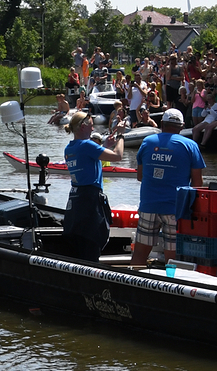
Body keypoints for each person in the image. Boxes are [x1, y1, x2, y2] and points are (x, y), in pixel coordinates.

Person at [130, 109, 204, 267]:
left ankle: (134, 278)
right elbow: (197, 183)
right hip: (176, 209)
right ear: (182, 127)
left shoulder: (147, 142)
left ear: (162, 124)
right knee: (172, 258)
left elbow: (140, 176)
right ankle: (170, 280)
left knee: (140, 254)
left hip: (149, 206)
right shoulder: (190, 146)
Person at [61, 110, 125, 262]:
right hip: (90, 200)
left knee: (80, 245)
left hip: (76, 200)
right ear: (83, 126)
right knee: (92, 242)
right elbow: (118, 156)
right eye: (91, 125)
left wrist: (105, 146)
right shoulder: (87, 145)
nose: (93, 128)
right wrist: (121, 135)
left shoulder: (70, 148)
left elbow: (87, 160)